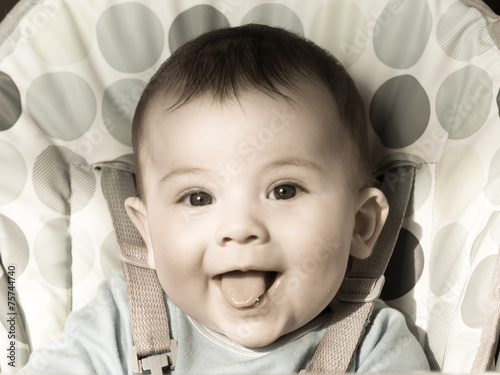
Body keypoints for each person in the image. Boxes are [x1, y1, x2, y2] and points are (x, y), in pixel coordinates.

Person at [22, 24, 429, 374]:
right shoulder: (123, 321)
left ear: (360, 224)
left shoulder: (373, 344)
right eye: (198, 198)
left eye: (283, 190)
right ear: (148, 234)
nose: (239, 227)